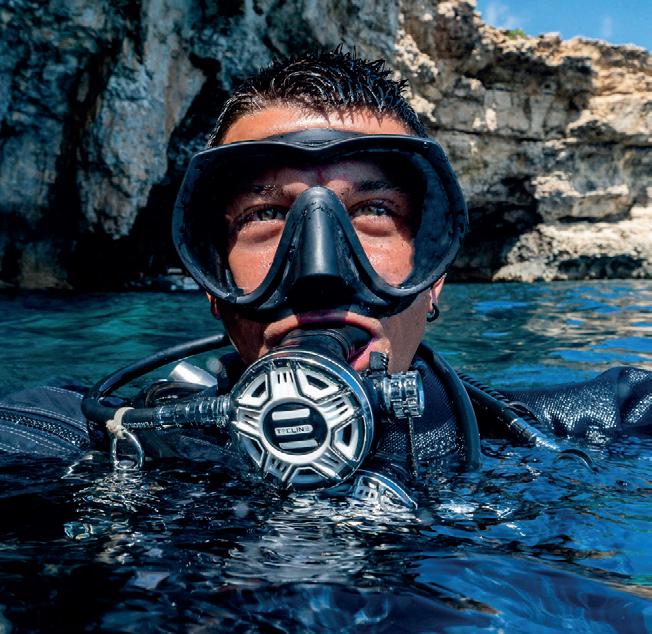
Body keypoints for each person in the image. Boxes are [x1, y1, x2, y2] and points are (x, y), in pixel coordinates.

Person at [0, 50, 649, 505]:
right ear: (213, 283)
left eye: (373, 211)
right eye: (265, 215)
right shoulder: (91, 439)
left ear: (433, 277)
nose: (320, 273)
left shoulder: (573, 429)